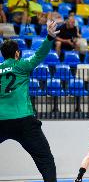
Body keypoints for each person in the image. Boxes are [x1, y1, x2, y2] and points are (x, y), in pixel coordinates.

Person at [0, 20, 59, 182]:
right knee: (45, 159)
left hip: (1, 119)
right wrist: (49, 37)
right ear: (17, 53)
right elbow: (39, 54)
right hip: (23, 120)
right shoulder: (22, 65)